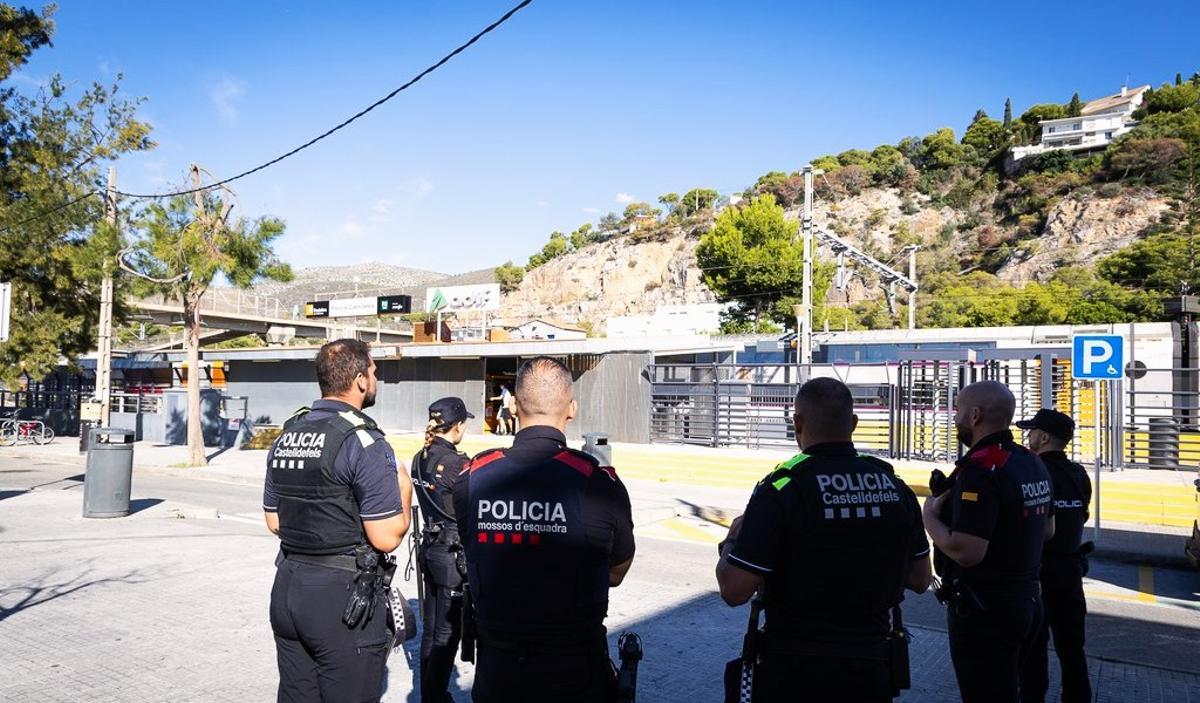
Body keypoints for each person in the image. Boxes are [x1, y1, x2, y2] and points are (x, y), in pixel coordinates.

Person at [716, 377, 932, 702]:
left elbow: (734, 591)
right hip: (870, 668)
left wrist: (733, 539)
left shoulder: (782, 489)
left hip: (795, 670)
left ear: (797, 422)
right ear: (854, 424)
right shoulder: (895, 488)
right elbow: (920, 579)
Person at [453, 356, 635, 703]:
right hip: (575, 675)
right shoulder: (598, 483)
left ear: (516, 406)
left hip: (498, 674)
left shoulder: (472, 480)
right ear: (572, 409)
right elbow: (617, 571)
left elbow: (476, 553)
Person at [263, 339, 413, 703]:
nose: (376, 378)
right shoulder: (363, 439)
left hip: (288, 588)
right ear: (360, 380)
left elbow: (274, 521)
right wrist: (404, 489)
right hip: (342, 602)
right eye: (374, 371)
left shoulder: (289, 434)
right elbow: (386, 536)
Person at [922, 381, 1055, 703]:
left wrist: (929, 516)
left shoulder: (981, 469)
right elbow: (1048, 530)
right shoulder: (1030, 460)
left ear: (975, 415)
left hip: (987, 612)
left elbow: (967, 552)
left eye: (958, 411)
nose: (956, 418)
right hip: (1030, 603)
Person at [1017, 409, 1092, 703]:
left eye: (1032, 431)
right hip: (1070, 570)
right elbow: (1082, 514)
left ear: (1044, 437)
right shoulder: (1078, 474)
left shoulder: (1033, 472)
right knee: (1072, 647)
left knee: (1034, 646)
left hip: (1039, 571)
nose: (1029, 436)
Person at [411, 397, 474, 703]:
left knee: (432, 629)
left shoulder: (419, 457)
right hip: (452, 554)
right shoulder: (457, 464)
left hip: (430, 546)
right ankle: (434, 697)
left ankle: (430, 693)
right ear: (458, 426)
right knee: (447, 635)